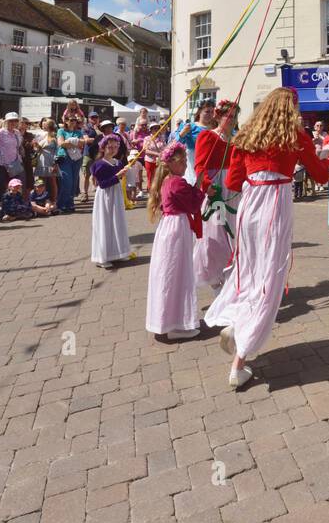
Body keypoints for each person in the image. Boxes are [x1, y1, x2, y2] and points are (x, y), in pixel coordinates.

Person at [205, 88, 329, 388]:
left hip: (249, 206)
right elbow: (321, 177)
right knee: (269, 280)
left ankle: (236, 321)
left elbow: (234, 181)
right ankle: (241, 354)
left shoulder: (246, 135)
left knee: (246, 273)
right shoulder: (295, 137)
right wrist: (325, 161)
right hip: (275, 205)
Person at [146, 142, 206, 342]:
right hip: (176, 228)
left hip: (170, 227)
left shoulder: (168, 181)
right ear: (171, 164)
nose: (185, 166)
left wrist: (197, 187)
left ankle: (168, 319)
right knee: (177, 273)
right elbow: (193, 204)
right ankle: (176, 323)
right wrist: (200, 188)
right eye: (182, 163)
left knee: (169, 273)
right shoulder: (177, 183)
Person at [193, 100, 240, 288]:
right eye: (229, 116)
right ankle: (216, 277)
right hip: (217, 187)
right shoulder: (208, 137)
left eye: (235, 116)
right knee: (216, 233)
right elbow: (200, 165)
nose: (232, 120)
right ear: (218, 116)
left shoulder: (237, 139)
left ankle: (233, 273)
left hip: (235, 188)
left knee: (234, 231)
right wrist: (206, 185)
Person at [91, 135, 133, 269]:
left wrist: (123, 174)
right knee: (105, 222)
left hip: (116, 194)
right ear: (103, 148)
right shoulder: (98, 164)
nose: (113, 149)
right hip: (105, 196)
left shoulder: (118, 162)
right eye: (110, 147)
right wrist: (117, 176)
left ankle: (118, 252)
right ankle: (102, 256)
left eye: (116, 147)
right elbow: (102, 184)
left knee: (117, 221)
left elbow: (119, 178)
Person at [0, 112, 23, 219]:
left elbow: (17, 147)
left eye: (15, 121)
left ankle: (7, 207)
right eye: (11, 121)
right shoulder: (0, 133)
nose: (13, 123)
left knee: (12, 185)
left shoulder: (17, 133)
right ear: (6, 122)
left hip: (13, 163)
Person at [56, 115, 85, 213]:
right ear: (66, 121)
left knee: (74, 183)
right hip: (65, 158)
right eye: (71, 120)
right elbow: (61, 143)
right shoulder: (61, 131)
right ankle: (61, 204)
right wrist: (76, 142)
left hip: (76, 159)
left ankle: (70, 203)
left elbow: (83, 143)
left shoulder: (78, 132)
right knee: (67, 181)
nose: (73, 122)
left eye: (75, 120)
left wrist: (69, 142)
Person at [81, 112, 102, 203]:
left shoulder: (101, 127)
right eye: (92, 117)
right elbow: (86, 140)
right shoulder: (85, 128)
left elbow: (104, 137)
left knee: (98, 174)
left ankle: (99, 193)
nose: (94, 119)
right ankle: (85, 193)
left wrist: (97, 131)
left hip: (98, 154)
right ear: (88, 118)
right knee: (86, 175)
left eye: (96, 117)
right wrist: (98, 138)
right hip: (88, 154)